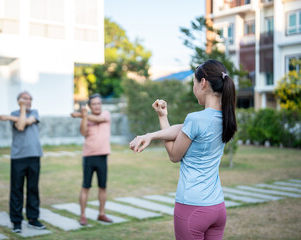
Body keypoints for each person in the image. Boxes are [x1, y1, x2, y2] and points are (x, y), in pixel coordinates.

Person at [129, 60, 237, 240]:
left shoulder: (196, 119)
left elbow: (173, 155)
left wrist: (156, 128)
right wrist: (155, 129)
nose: (193, 88)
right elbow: (181, 129)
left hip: (192, 207)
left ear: (203, 83)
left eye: (194, 83)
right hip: (217, 207)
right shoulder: (226, 118)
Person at [0, 91, 46, 233]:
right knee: (16, 189)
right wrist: (18, 113)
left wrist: (10, 117)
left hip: (34, 155)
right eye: (25, 99)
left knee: (33, 188)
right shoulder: (16, 112)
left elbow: (23, 123)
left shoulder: (35, 113)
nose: (28, 101)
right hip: (18, 157)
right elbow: (20, 126)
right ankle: (16, 221)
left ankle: (33, 219)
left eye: (30, 99)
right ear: (18, 100)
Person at [71, 94, 113, 225]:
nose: (97, 106)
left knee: (103, 187)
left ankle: (101, 214)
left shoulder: (106, 114)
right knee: (86, 187)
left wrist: (81, 115)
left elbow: (99, 119)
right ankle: (83, 216)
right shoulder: (86, 118)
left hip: (102, 156)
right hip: (89, 156)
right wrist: (83, 118)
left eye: (99, 103)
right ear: (90, 106)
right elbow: (83, 132)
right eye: (94, 104)